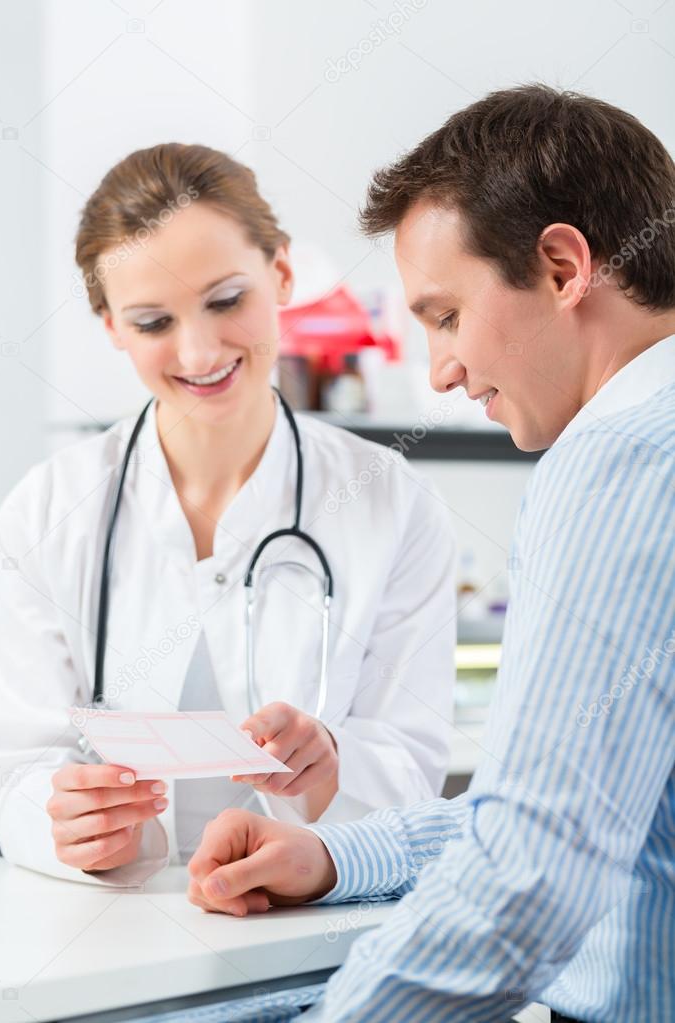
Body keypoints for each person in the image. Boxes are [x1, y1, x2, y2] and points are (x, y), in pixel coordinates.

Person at [183, 87, 675, 1023]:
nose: (441, 369)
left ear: (565, 266)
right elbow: (566, 805)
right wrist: (335, 858)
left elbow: (527, 880)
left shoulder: (615, 461)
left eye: (446, 317)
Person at [0, 143, 456, 887]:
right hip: (111, 946)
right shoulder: (48, 511)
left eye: (225, 299)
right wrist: (62, 822)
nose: (200, 349)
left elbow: (414, 765)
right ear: (110, 324)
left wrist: (331, 767)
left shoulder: (390, 500)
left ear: (280, 274)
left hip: (319, 938)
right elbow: (14, 768)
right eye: (152, 321)